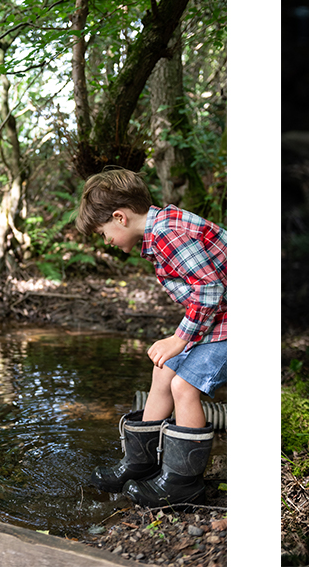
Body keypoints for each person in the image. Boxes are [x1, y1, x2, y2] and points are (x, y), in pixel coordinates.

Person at [75, 167, 226, 508]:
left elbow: (209, 290)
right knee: (164, 370)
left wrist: (178, 338)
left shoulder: (167, 234)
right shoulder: (162, 228)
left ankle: (183, 484)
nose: (106, 241)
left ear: (120, 217)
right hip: (222, 319)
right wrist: (178, 344)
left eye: (103, 233)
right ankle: (141, 464)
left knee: (183, 387)